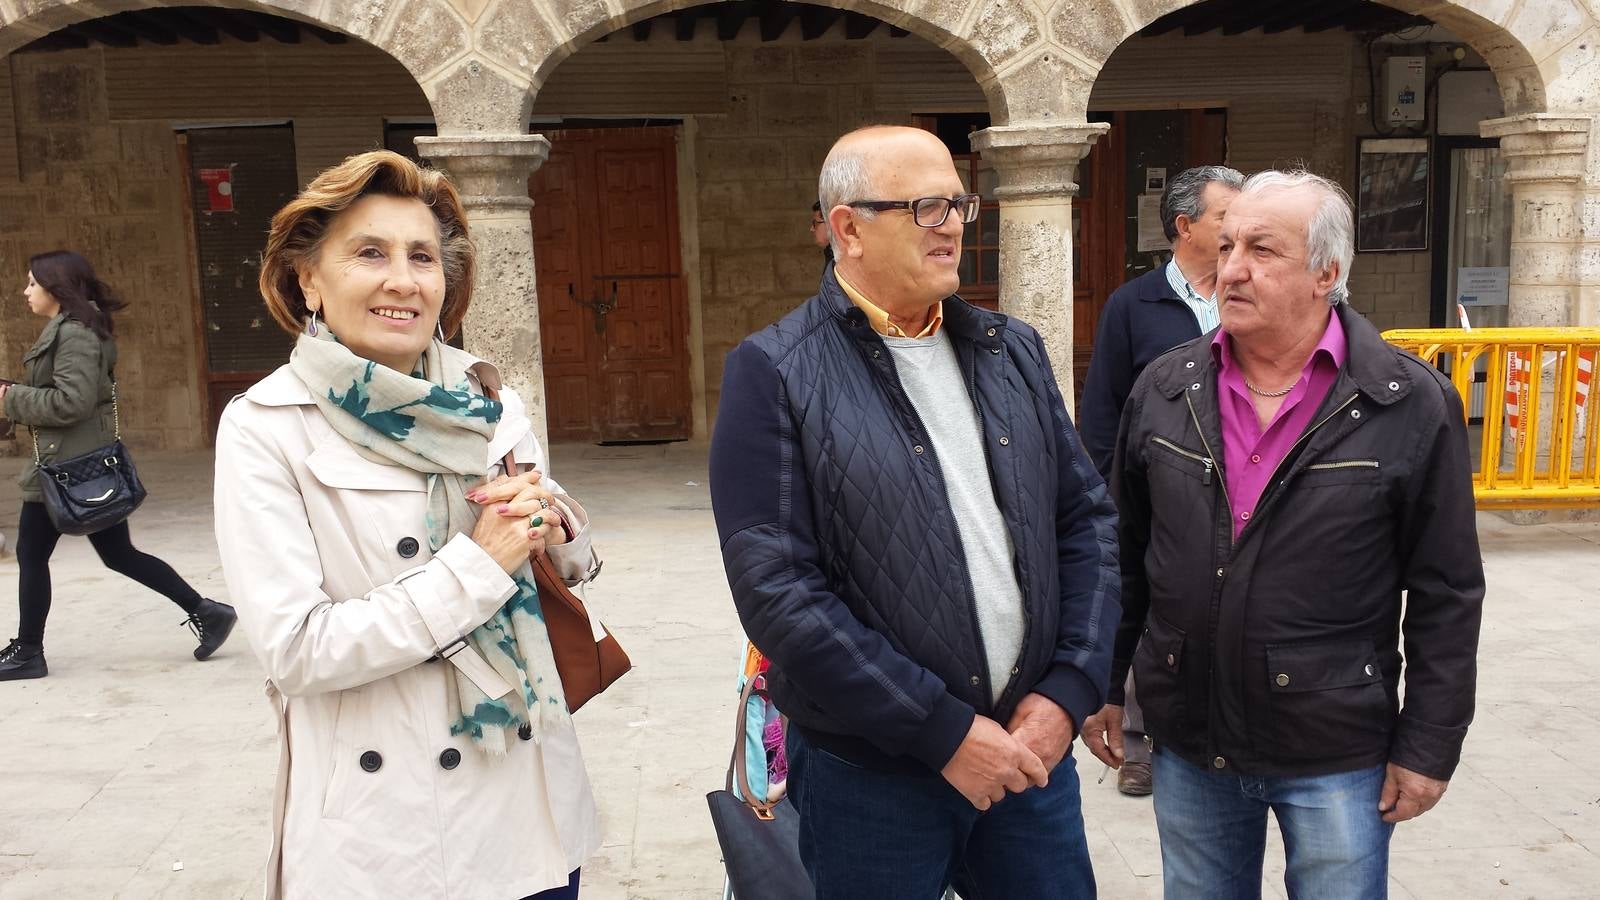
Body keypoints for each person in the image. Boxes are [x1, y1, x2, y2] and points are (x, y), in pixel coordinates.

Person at [710, 125, 1120, 899]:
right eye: (927, 207)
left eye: (959, 202)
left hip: (1031, 762)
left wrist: (1068, 690)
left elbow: (1087, 522)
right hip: (875, 781)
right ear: (848, 228)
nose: (957, 224)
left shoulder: (1013, 350)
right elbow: (778, 591)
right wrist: (943, 733)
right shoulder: (774, 371)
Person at [1081, 169, 1484, 899]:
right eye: (1227, 244)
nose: (1230, 269)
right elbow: (1124, 554)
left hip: (1334, 744)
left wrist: (1429, 743)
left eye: (1262, 250)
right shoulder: (1166, 389)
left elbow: (1446, 592)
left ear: (1326, 271)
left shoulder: (1408, 403)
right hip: (1190, 736)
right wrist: (1105, 682)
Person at [212, 151, 603, 900]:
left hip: (529, 801)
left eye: (422, 256)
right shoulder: (267, 425)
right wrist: (480, 566)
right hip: (386, 833)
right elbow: (296, 650)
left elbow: (562, 564)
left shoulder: (484, 398)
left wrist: (557, 531)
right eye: (369, 253)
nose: (403, 280)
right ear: (309, 280)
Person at [1078, 165, 1242, 797]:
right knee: (1147, 609)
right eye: (1226, 218)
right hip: (1158, 489)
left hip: (1246, 489)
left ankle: (1223, 729)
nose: (1240, 234)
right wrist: (1101, 490)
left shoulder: (1248, 293)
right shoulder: (1133, 305)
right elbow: (1104, 409)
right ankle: (1143, 742)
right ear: (1185, 226)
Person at [0, 251, 235, 681]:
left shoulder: (75, 335)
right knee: (117, 554)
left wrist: (9, 397)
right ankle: (207, 611)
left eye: (32, 283)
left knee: (32, 555)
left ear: (56, 287)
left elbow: (71, 402)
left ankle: (29, 652)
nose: (25, 292)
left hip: (67, 470)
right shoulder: (75, 329)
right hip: (73, 463)